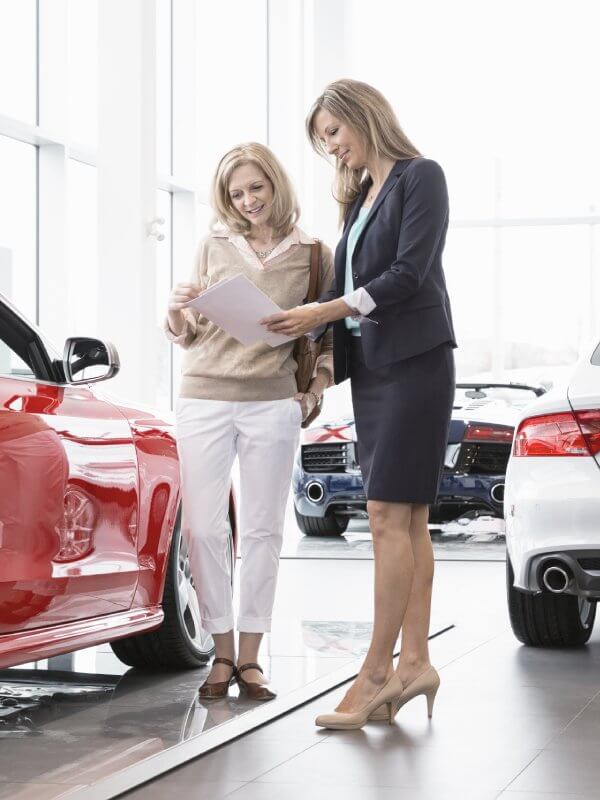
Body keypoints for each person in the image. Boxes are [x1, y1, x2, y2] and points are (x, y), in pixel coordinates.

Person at [262, 79, 456, 729]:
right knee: (407, 520)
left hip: (415, 363)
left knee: (384, 516)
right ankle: (416, 664)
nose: (331, 148)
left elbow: (408, 273)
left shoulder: (419, 177)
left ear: (363, 118)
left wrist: (329, 308)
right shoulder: (362, 198)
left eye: (334, 133)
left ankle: (375, 671)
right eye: (322, 140)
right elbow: (351, 289)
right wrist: (307, 336)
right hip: (375, 369)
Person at [165, 142, 334, 701]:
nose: (248, 201)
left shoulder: (313, 253)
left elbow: (325, 334)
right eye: (236, 193)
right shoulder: (213, 243)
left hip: (272, 402)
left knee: (263, 531)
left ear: (275, 184)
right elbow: (189, 328)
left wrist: (312, 393)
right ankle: (221, 650)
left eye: (256, 188)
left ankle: (252, 657)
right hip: (204, 396)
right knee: (204, 529)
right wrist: (174, 310)